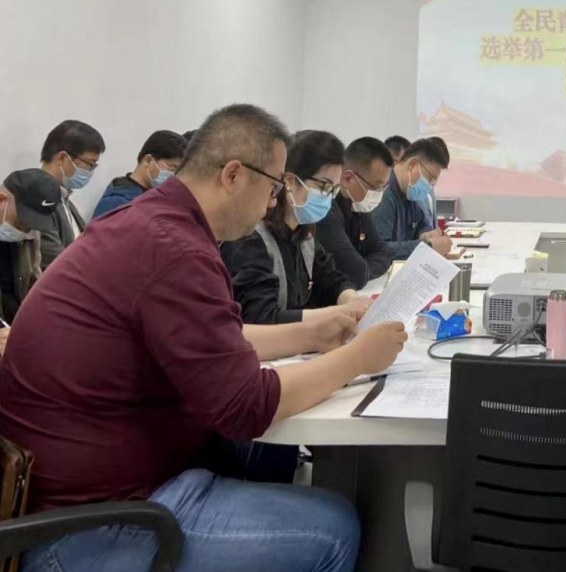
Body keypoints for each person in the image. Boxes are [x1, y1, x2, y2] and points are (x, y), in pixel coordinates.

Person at [0, 104, 408, 572]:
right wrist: (358, 358)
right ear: (233, 174)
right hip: (90, 526)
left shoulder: (154, 223)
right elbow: (245, 406)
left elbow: (215, 339)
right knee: (333, 529)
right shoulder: (175, 248)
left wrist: (312, 332)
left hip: (98, 491)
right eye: (273, 187)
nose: (272, 203)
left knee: (263, 460)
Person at [222, 130, 364, 325]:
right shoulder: (250, 237)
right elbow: (259, 317)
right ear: (289, 182)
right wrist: (335, 314)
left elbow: (331, 279)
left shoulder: (303, 234)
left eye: (334, 189)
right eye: (324, 187)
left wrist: (351, 300)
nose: (328, 198)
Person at [316, 137, 394, 288]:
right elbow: (356, 273)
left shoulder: (359, 207)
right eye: (376, 187)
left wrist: (363, 269)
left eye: (383, 188)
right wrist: (361, 270)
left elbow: (384, 253)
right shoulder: (326, 210)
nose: (379, 194)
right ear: (348, 178)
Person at [0, 170, 62, 345]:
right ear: (1, 200)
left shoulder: (30, 234)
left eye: (31, 226)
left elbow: (33, 283)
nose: (25, 231)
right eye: (20, 223)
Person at [37, 119, 106, 268]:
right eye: (90, 164)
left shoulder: (63, 198)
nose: (91, 171)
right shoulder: (37, 200)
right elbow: (55, 262)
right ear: (62, 158)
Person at [373, 138, 452, 258]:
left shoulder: (409, 193)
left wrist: (426, 234)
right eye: (429, 179)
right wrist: (427, 247)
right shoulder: (383, 195)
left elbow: (421, 224)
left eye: (432, 183)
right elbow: (380, 250)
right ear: (413, 164)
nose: (428, 187)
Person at [93, 130, 188, 218]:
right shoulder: (116, 203)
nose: (174, 176)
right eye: (172, 169)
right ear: (148, 160)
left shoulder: (155, 196)